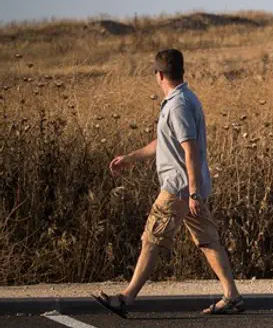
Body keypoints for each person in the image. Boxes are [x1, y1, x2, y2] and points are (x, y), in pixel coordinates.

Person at [92, 49, 243, 318]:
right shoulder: (181, 100)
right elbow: (164, 144)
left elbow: (190, 149)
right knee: (208, 241)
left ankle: (126, 299)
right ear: (181, 71)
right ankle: (231, 296)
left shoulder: (178, 105)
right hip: (189, 188)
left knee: (152, 239)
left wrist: (194, 193)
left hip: (178, 189)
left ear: (159, 75)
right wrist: (130, 158)